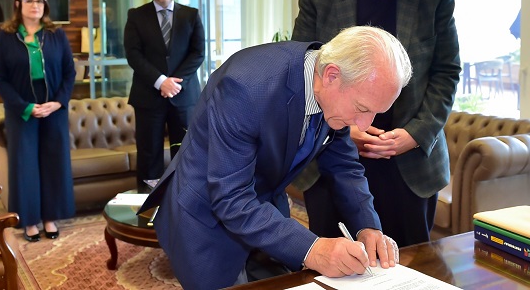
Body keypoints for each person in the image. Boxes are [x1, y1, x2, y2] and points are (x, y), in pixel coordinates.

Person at [139, 26, 411, 289]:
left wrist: (368, 226)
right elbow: (231, 198)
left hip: (266, 208)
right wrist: (313, 248)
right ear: (331, 75)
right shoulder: (246, 87)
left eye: (375, 113)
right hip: (207, 216)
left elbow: (345, 167)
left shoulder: (337, 95)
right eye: (362, 109)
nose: (364, 125)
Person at [292, 0, 461, 247]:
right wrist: (341, 125)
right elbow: (305, 67)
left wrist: (416, 133)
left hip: (408, 164)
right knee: (334, 264)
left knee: (410, 265)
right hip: (333, 154)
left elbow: (446, 71)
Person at [0, 0, 76, 242]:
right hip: (21, 110)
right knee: (25, 165)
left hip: (53, 109)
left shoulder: (56, 34)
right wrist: (24, 106)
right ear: (18, 5)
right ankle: (29, 222)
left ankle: (50, 218)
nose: (36, 5)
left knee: (53, 163)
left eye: (40, 1)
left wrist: (58, 103)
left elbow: (69, 72)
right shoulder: (4, 37)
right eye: (29, 1)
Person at [124, 0, 205, 186]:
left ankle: (185, 204)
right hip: (148, 97)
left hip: (184, 95)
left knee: (187, 153)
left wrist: (174, 83)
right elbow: (133, 54)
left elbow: (198, 53)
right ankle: (148, 209)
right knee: (149, 155)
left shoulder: (191, 15)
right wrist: (161, 82)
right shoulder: (136, 16)